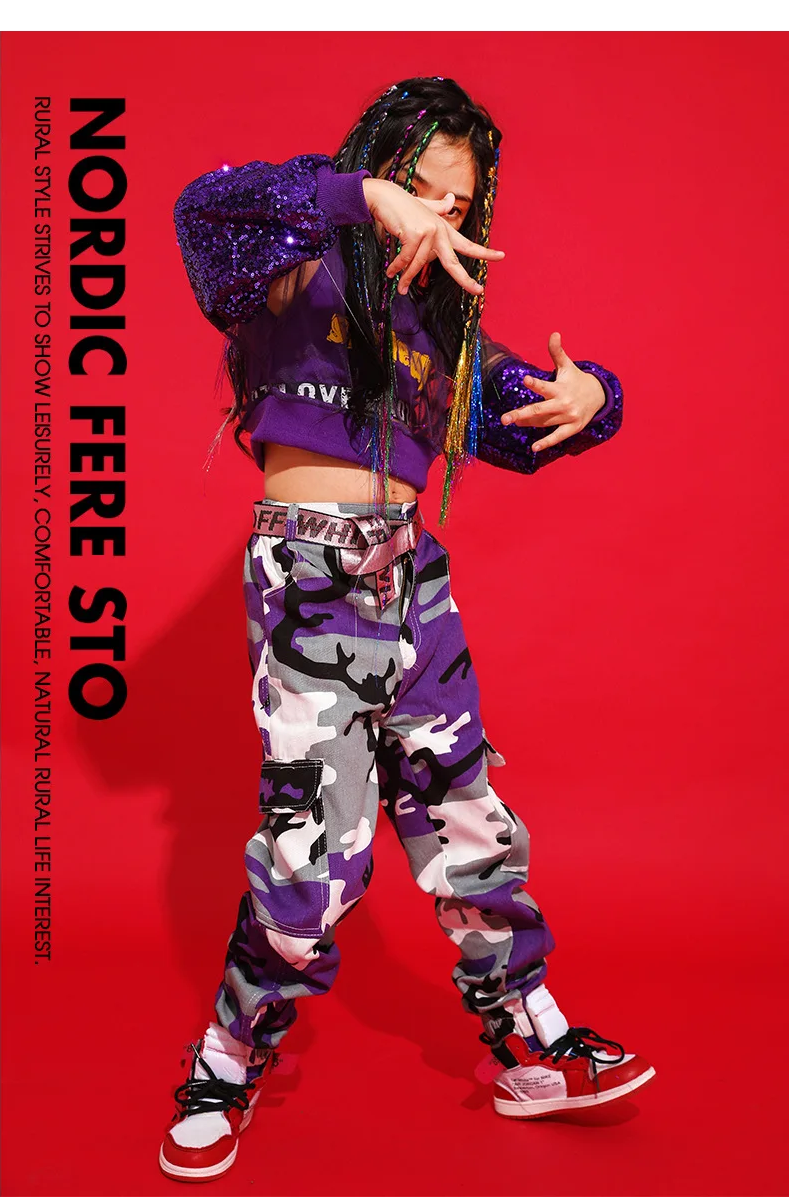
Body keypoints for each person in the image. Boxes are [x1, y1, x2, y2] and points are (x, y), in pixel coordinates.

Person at [161, 75, 654, 1184]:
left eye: (458, 203)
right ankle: (226, 1060)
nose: (438, 214)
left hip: (414, 583)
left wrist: (596, 398)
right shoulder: (288, 263)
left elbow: (536, 418)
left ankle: (530, 1043)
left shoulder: (444, 325)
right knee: (313, 859)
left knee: (470, 819)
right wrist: (358, 199)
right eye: (418, 187)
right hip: (309, 573)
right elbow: (201, 209)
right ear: (377, 170)